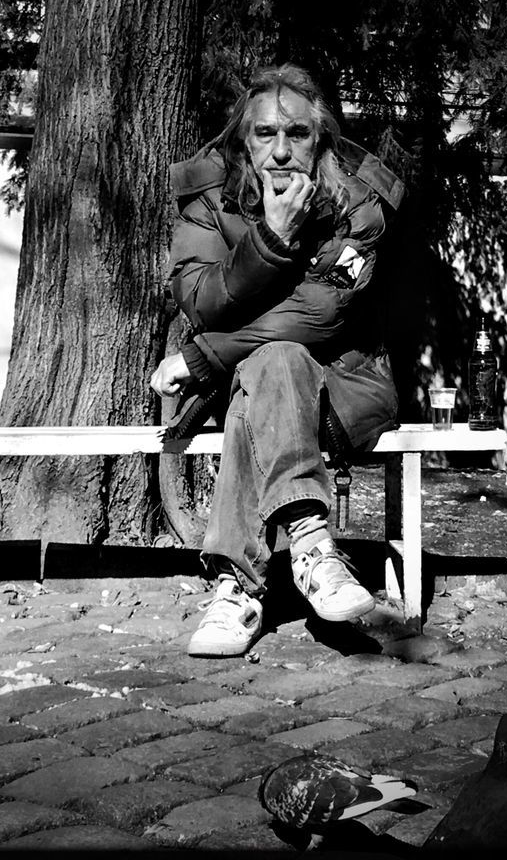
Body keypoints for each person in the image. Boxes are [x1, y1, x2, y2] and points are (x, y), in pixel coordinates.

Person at [151, 64, 405, 657]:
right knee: (272, 362)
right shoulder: (210, 200)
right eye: (266, 133)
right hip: (245, 388)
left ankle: (238, 587)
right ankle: (314, 547)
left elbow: (320, 314)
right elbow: (201, 298)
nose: (282, 150)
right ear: (245, 138)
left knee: (279, 358)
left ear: (321, 139)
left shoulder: (360, 204)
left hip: (343, 384)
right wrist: (269, 234)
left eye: (297, 134)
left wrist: (204, 358)